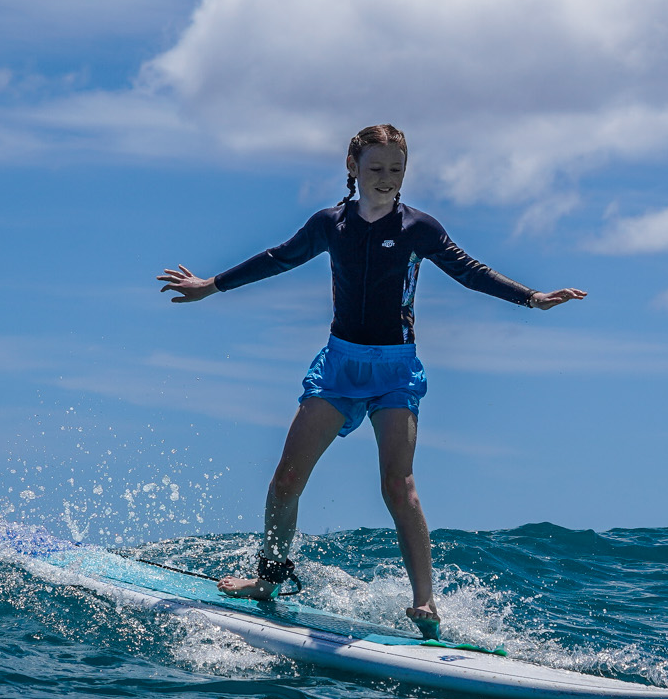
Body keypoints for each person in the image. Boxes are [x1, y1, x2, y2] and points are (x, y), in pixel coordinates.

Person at [156, 123, 586, 638]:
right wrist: (212, 286)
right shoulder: (330, 224)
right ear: (353, 168)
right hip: (339, 367)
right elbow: (279, 257)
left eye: (396, 170)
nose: (386, 178)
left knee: (398, 486)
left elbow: (469, 270)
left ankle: (425, 603)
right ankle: (267, 578)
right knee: (286, 479)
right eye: (376, 168)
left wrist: (530, 297)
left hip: (395, 371)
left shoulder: (418, 229)